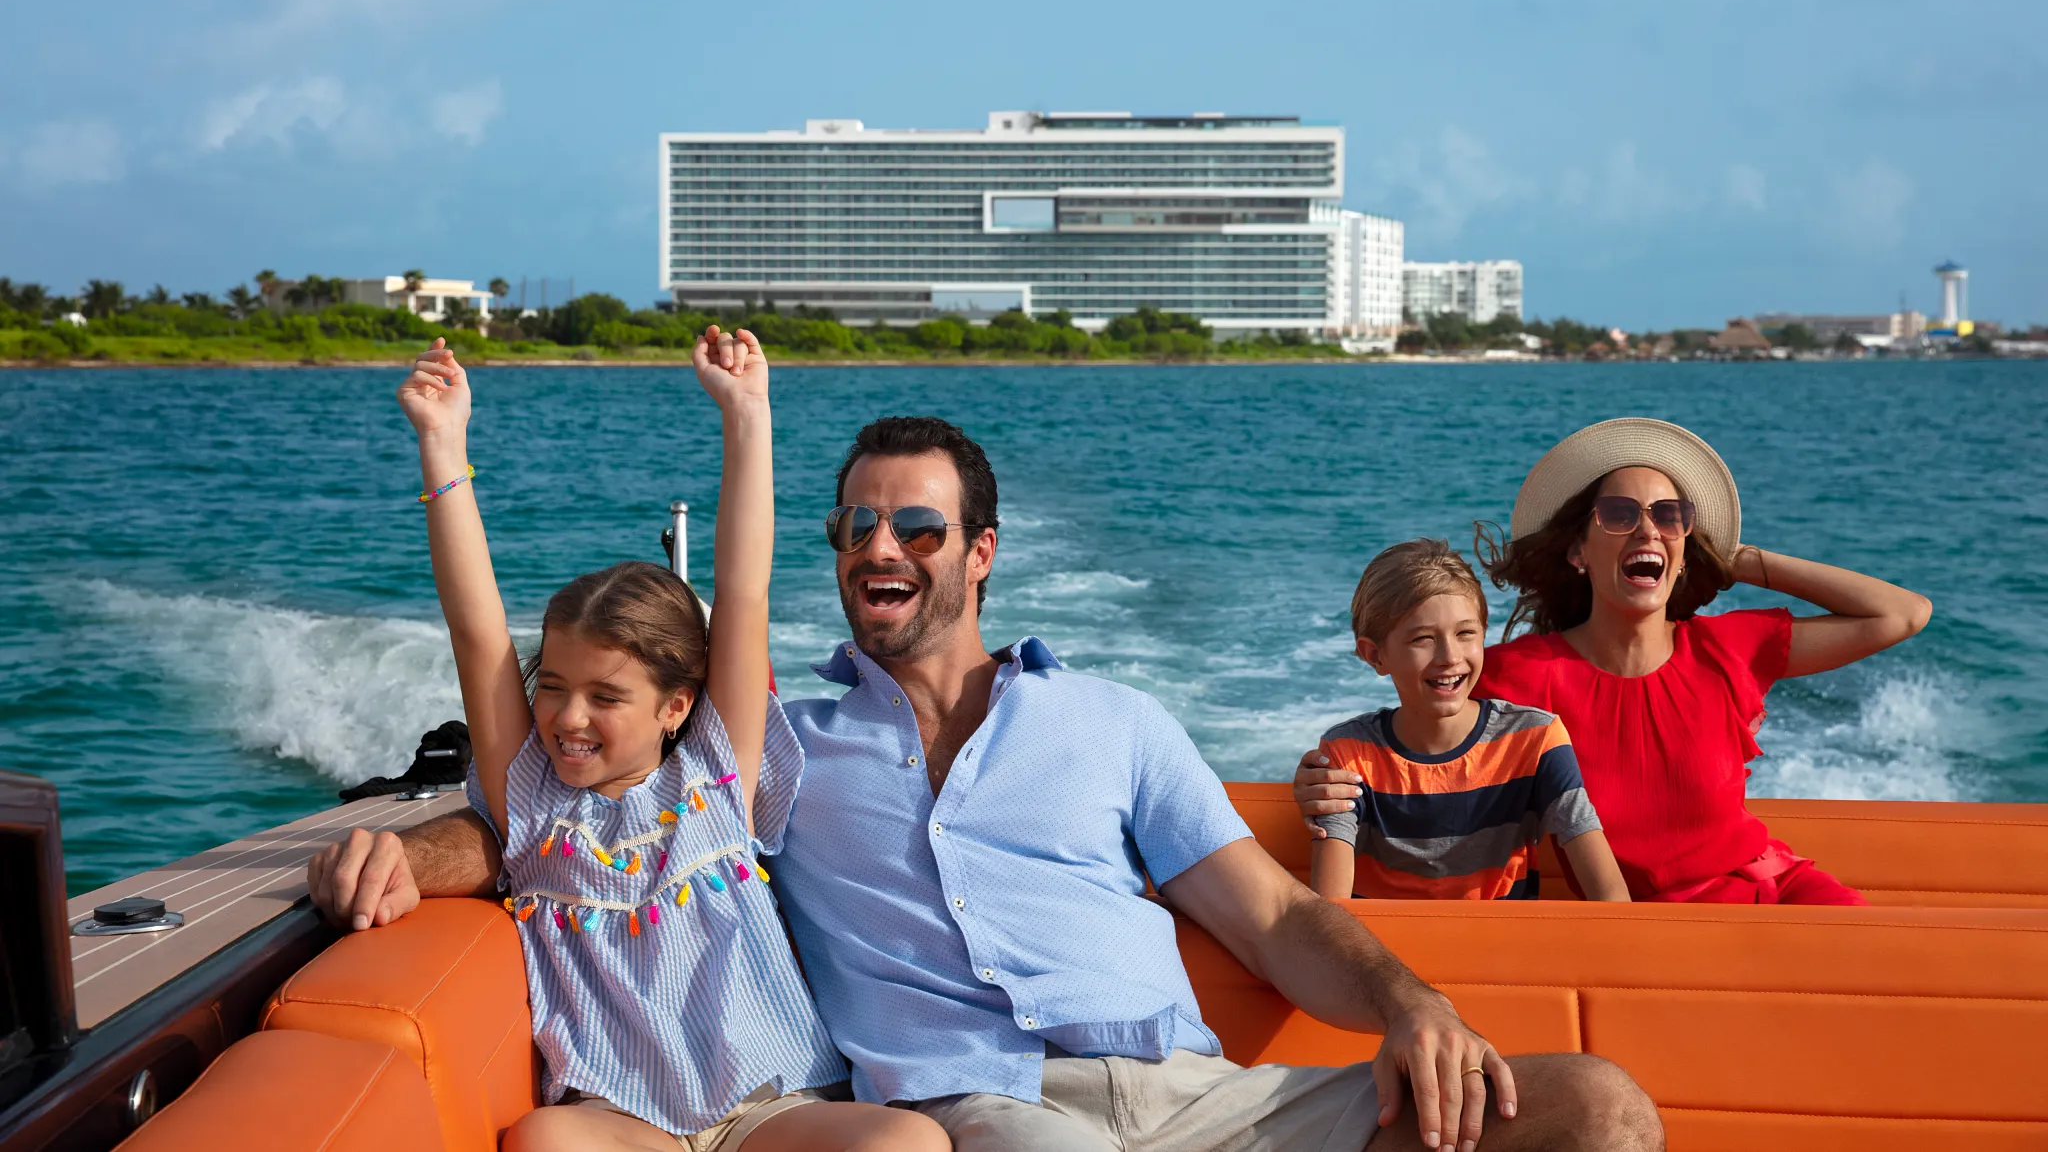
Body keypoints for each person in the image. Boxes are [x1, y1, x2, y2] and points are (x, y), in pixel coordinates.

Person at [313, 414, 1665, 1152]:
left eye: (916, 526)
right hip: (987, 1116)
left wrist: (1414, 1005)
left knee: (1596, 1110)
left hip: (1203, 1100)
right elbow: (584, 816)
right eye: (856, 525)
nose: (879, 547)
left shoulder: (1114, 721)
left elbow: (1274, 919)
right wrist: (419, 856)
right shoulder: (779, 746)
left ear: (980, 553)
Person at [387, 333, 944, 1152]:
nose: (569, 717)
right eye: (553, 686)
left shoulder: (718, 775)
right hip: (624, 1119)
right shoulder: (531, 798)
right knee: (545, 1138)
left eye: (607, 697)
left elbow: (742, 590)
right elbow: (477, 630)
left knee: (909, 1142)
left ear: (676, 705)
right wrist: (442, 441)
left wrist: (746, 413)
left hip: (768, 1107)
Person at [1295, 418, 1932, 907]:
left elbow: (1902, 614)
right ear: (1578, 551)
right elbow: (1417, 716)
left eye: (1669, 516)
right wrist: (1317, 780)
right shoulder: (1519, 675)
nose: (1648, 530)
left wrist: (1736, 559)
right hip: (1627, 925)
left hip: (1771, 895)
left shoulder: (1727, 649)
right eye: (1621, 515)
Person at [1311, 539, 1629, 904]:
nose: (1450, 656)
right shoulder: (1348, 753)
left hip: (1503, 941)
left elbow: (1609, 893)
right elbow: (1330, 908)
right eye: (1422, 638)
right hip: (1378, 942)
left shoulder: (1536, 739)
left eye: (1465, 633)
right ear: (1375, 655)